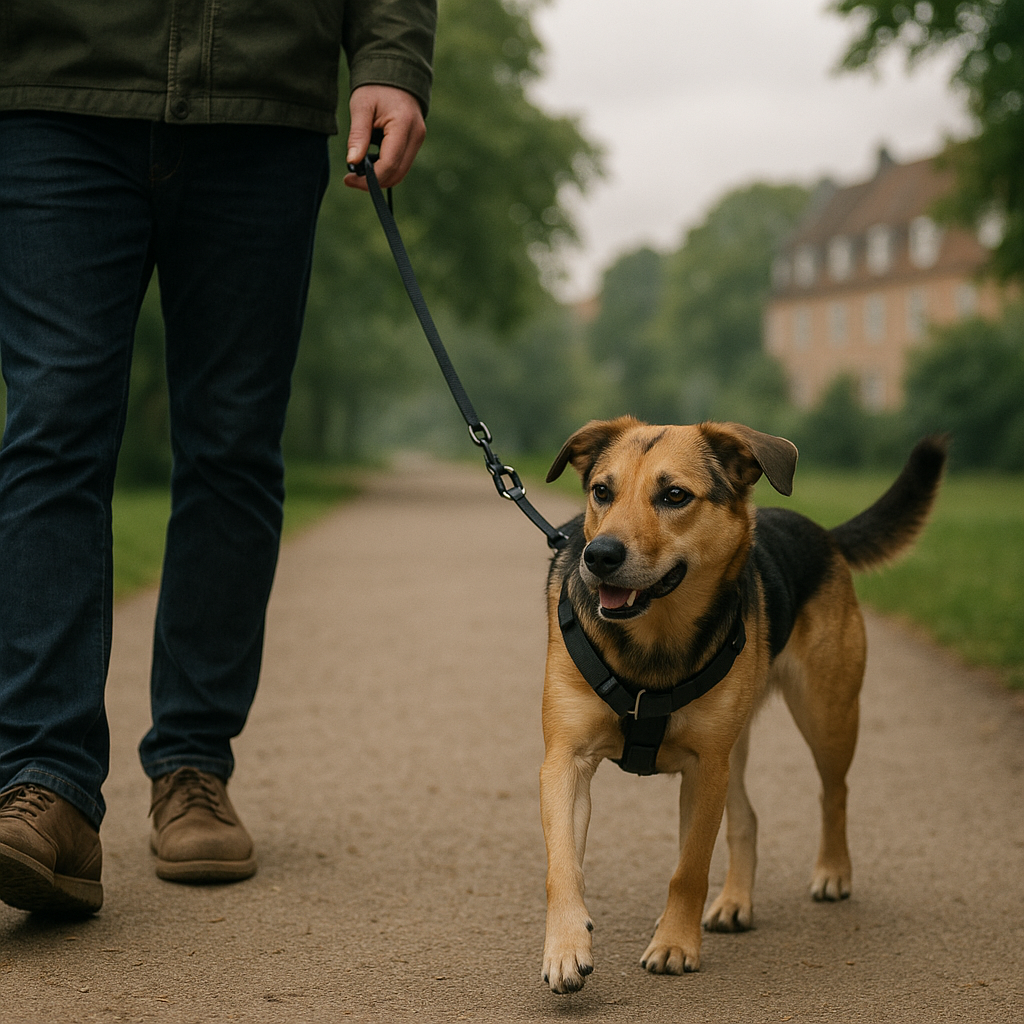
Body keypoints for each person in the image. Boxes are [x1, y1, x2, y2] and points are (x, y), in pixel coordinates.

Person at [0, 1, 437, 915]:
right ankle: (46, 784)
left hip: (262, 102)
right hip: (53, 87)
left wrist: (392, 55)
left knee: (233, 446)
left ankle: (193, 767)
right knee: (52, 425)